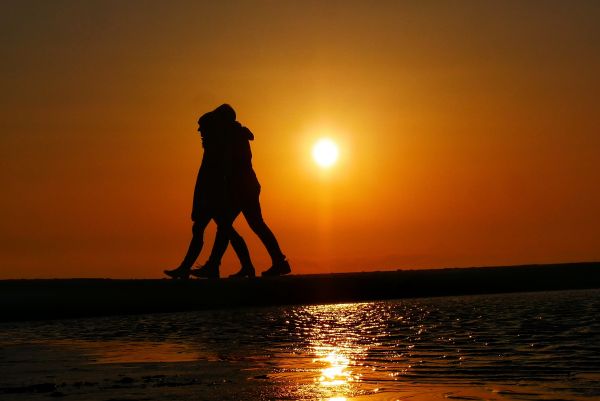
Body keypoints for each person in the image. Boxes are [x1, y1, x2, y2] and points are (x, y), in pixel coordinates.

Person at [190, 104, 291, 278]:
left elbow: (229, 165)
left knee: (227, 225)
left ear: (224, 120)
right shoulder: (235, 134)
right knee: (252, 225)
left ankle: (216, 266)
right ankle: (276, 262)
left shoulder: (233, 136)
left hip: (242, 188)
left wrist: (224, 184)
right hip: (247, 186)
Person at [164, 111, 255, 279]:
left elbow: (217, 172)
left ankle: (239, 266)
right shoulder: (212, 144)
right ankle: (193, 267)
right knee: (215, 229)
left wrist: (209, 196)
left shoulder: (216, 145)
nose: (199, 131)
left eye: (202, 127)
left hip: (214, 195)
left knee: (223, 230)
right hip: (209, 194)